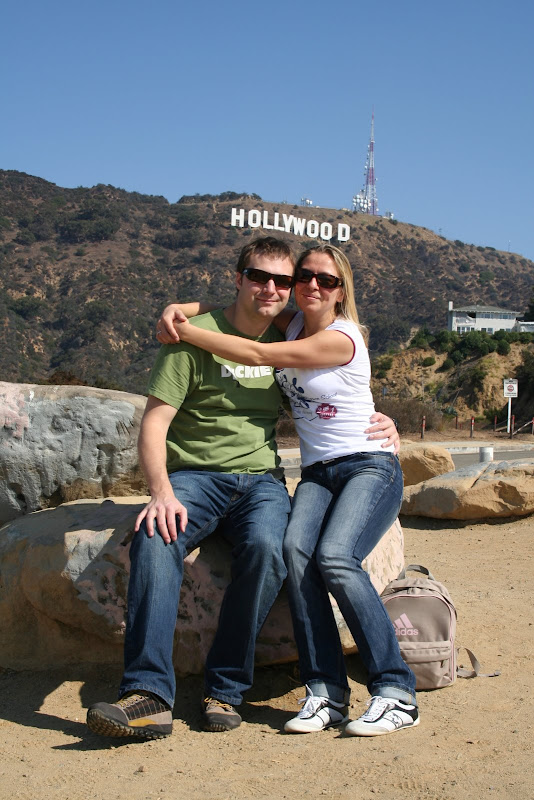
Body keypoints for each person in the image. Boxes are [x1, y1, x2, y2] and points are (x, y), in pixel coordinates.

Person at [86, 237, 398, 740]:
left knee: (274, 550)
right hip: (196, 478)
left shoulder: (293, 335)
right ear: (238, 278)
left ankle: (225, 688)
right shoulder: (205, 337)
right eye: (260, 277)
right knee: (154, 537)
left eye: (283, 280)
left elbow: (294, 366)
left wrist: (388, 422)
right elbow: (154, 425)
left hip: (263, 482)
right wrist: (161, 491)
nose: (273, 288)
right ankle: (147, 694)